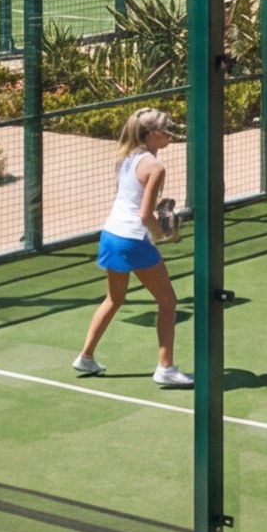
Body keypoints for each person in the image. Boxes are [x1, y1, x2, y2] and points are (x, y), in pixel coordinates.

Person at [76, 107, 192, 389]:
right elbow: (144, 215)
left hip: (111, 234)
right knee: (168, 303)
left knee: (114, 299)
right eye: (166, 130)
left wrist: (159, 231)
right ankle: (165, 368)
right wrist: (166, 235)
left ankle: (86, 357)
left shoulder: (127, 156)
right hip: (131, 240)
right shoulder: (156, 167)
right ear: (152, 134)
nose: (170, 135)